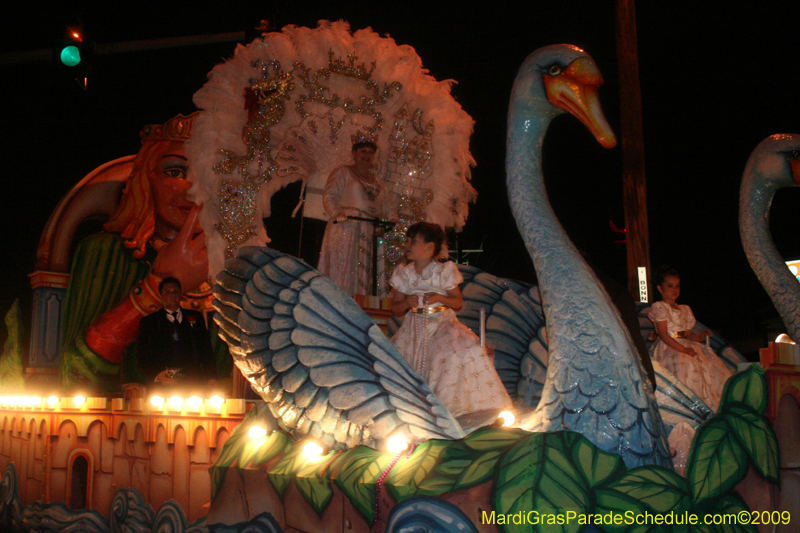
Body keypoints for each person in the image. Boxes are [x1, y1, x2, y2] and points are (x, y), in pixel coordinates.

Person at [58, 113, 227, 393]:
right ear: (147, 178)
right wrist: (157, 285)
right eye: (175, 172)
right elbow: (76, 371)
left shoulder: (229, 266)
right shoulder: (106, 252)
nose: (194, 188)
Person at [389, 222, 513, 418]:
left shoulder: (443, 271)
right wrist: (405, 302)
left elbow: (457, 302)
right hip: (413, 327)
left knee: (454, 353)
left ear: (429, 247)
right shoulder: (404, 273)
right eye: (407, 240)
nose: (407, 245)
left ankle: (453, 410)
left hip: (442, 323)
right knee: (398, 360)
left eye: (413, 241)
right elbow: (395, 308)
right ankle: (415, 411)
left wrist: (440, 298)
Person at [647, 265, 733, 411]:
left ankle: (705, 409)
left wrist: (700, 336)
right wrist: (683, 349)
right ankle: (681, 410)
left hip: (687, 346)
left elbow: (687, 334)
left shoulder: (684, 309)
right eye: (670, 286)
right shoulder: (660, 307)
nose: (674, 290)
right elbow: (663, 334)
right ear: (660, 288)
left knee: (704, 370)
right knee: (682, 372)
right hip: (670, 347)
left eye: (677, 286)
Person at [317, 141, 386, 298]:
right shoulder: (344, 172)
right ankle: (339, 306)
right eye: (363, 151)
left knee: (366, 271)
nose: (366, 155)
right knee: (344, 269)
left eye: (370, 152)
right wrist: (337, 214)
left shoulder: (377, 180)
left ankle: (362, 310)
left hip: (369, 229)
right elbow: (330, 195)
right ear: (354, 153)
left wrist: (392, 217)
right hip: (347, 227)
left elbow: (386, 204)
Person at [137, 277, 217, 386]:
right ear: (161, 296)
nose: (172, 295)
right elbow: (142, 355)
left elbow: (206, 349)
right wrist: (156, 375)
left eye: (175, 291)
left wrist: (211, 377)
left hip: (192, 382)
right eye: (168, 292)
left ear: (181, 295)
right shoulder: (150, 322)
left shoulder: (195, 317)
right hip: (163, 383)